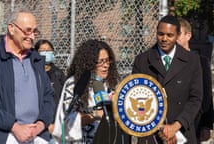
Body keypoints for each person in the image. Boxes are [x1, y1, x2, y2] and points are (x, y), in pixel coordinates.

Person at [0, 7, 55, 144]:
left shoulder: (36, 59)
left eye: (35, 31)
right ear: (11, 29)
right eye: (28, 30)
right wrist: (15, 127)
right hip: (2, 136)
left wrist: (40, 124)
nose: (32, 36)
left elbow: (48, 96)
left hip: (37, 135)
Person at [132, 15, 203, 144]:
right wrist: (159, 128)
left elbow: (196, 98)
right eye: (160, 34)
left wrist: (176, 126)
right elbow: (137, 97)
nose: (164, 39)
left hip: (182, 132)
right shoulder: (142, 60)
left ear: (177, 35)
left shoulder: (192, 60)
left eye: (169, 35)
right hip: (151, 134)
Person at [52, 39, 123, 144]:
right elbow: (66, 122)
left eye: (108, 60)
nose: (106, 65)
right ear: (89, 63)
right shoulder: (74, 84)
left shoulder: (113, 84)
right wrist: (94, 115)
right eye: (101, 61)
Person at [177, 17, 214, 143]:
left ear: (188, 35)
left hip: (195, 124)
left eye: (178, 33)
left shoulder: (201, 61)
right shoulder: (167, 62)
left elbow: (207, 95)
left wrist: (206, 125)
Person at [34, 39, 66, 134]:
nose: (46, 53)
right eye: (42, 51)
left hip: (57, 122)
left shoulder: (58, 73)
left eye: (48, 50)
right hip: (38, 123)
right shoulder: (33, 73)